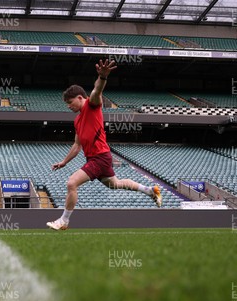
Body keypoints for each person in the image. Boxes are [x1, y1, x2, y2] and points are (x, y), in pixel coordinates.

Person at [46, 59, 162, 231]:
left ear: (80, 98)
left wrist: (102, 77)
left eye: (70, 102)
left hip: (99, 158)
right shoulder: (77, 120)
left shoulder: (92, 106)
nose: (69, 106)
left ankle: (64, 221)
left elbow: (96, 91)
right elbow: (77, 145)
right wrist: (64, 162)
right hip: (98, 158)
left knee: (71, 183)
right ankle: (150, 190)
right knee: (116, 184)